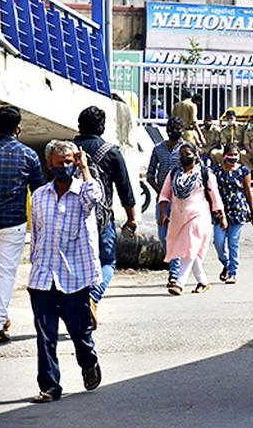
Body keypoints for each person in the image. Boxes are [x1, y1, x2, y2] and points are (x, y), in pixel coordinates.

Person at [27, 141, 103, 403]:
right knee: (45, 335)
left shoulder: (83, 192)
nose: (65, 167)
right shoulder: (39, 196)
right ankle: (50, 386)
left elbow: (95, 197)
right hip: (43, 277)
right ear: (50, 165)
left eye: (69, 161)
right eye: (60, 163)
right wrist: (34, 264)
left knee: (79, 332)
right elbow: (36, 235)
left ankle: (89, 361)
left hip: (74, 278)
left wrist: (85, 168)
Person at [72, 106, 138, 325]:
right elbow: (124, 188)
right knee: (107, 261)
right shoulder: (111, 151)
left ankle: (80, 301)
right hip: (101, 218)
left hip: (71, 218)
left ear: (80, 125)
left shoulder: (67, 150)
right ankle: (94, 295)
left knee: (75, 262)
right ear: (102, 127)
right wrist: (131, 218)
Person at [0, 105, 45, 344]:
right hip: (13, 224)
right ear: (18, 128)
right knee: (4, 274)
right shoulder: (29, 155)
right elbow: (39, 191)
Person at [159, 144, 224, 295]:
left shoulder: (204, 173)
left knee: (190, 246)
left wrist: (221, 216)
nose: (184, 157)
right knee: (190, 249)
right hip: (178, 218)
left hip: (198, 216)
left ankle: (179, 283)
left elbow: (215, 196)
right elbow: (164, 195)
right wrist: (162, 213)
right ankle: (203, 281)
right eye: (181, 154)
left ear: (195, 155)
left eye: (187, 153)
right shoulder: (174, 174)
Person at [211, 143, 253, 284]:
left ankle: (233, 272)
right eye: (230, 155)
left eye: (235, 155)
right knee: (218, 242)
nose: (233, 158)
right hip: (220, 212)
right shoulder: (217, 172)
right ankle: (227, 264)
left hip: (238, 211)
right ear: (224, 155)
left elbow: (248, 192)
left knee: (233, 242)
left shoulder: (244, 171)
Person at [146, 117, 188, 283]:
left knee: (176, 235)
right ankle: (176, 263)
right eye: (172, 127)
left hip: (181, 199)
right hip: (163, 200)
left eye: (178, 128)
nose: (174, 131)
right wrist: (161, 191)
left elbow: (195, 170)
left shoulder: (187, 149)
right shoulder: (158, 149)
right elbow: (150, 175)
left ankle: (174, 272)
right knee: (163, 236)